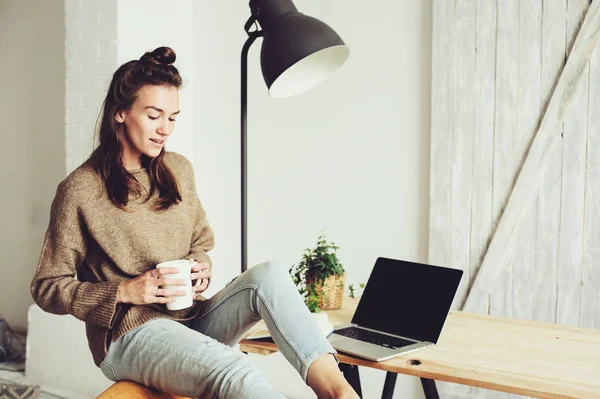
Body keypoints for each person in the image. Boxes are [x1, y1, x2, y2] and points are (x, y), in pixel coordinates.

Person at [30, 46, 359, 399]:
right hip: (128, 336)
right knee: (238, 373)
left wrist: (200, 267)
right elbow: (47, 286)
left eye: (173, 117)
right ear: (121, 112)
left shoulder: (179, 170)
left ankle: (338, 392)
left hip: (191, 319)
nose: (165, 129)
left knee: (269, 276)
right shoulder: (80, 189)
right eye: (154, 115)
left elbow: (200, 244)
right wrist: (124, 292)